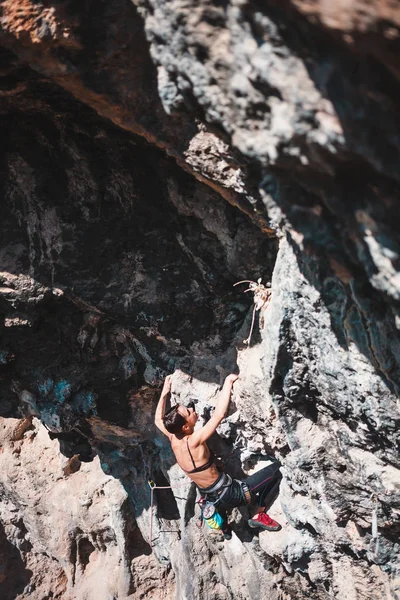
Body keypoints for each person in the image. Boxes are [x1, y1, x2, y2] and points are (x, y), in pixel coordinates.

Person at [154, 373, 282, 539]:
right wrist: (228, 382)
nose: (192, 410)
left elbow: (158, 420)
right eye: (188, 411)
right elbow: (219, 415)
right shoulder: (194, 440)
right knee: (277, 471)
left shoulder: (174, 438)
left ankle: (225, 528)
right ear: (185, 427)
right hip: (231, 493)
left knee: (218, 504)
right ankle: (258, 514)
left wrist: (165, 392)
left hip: (209, 496)